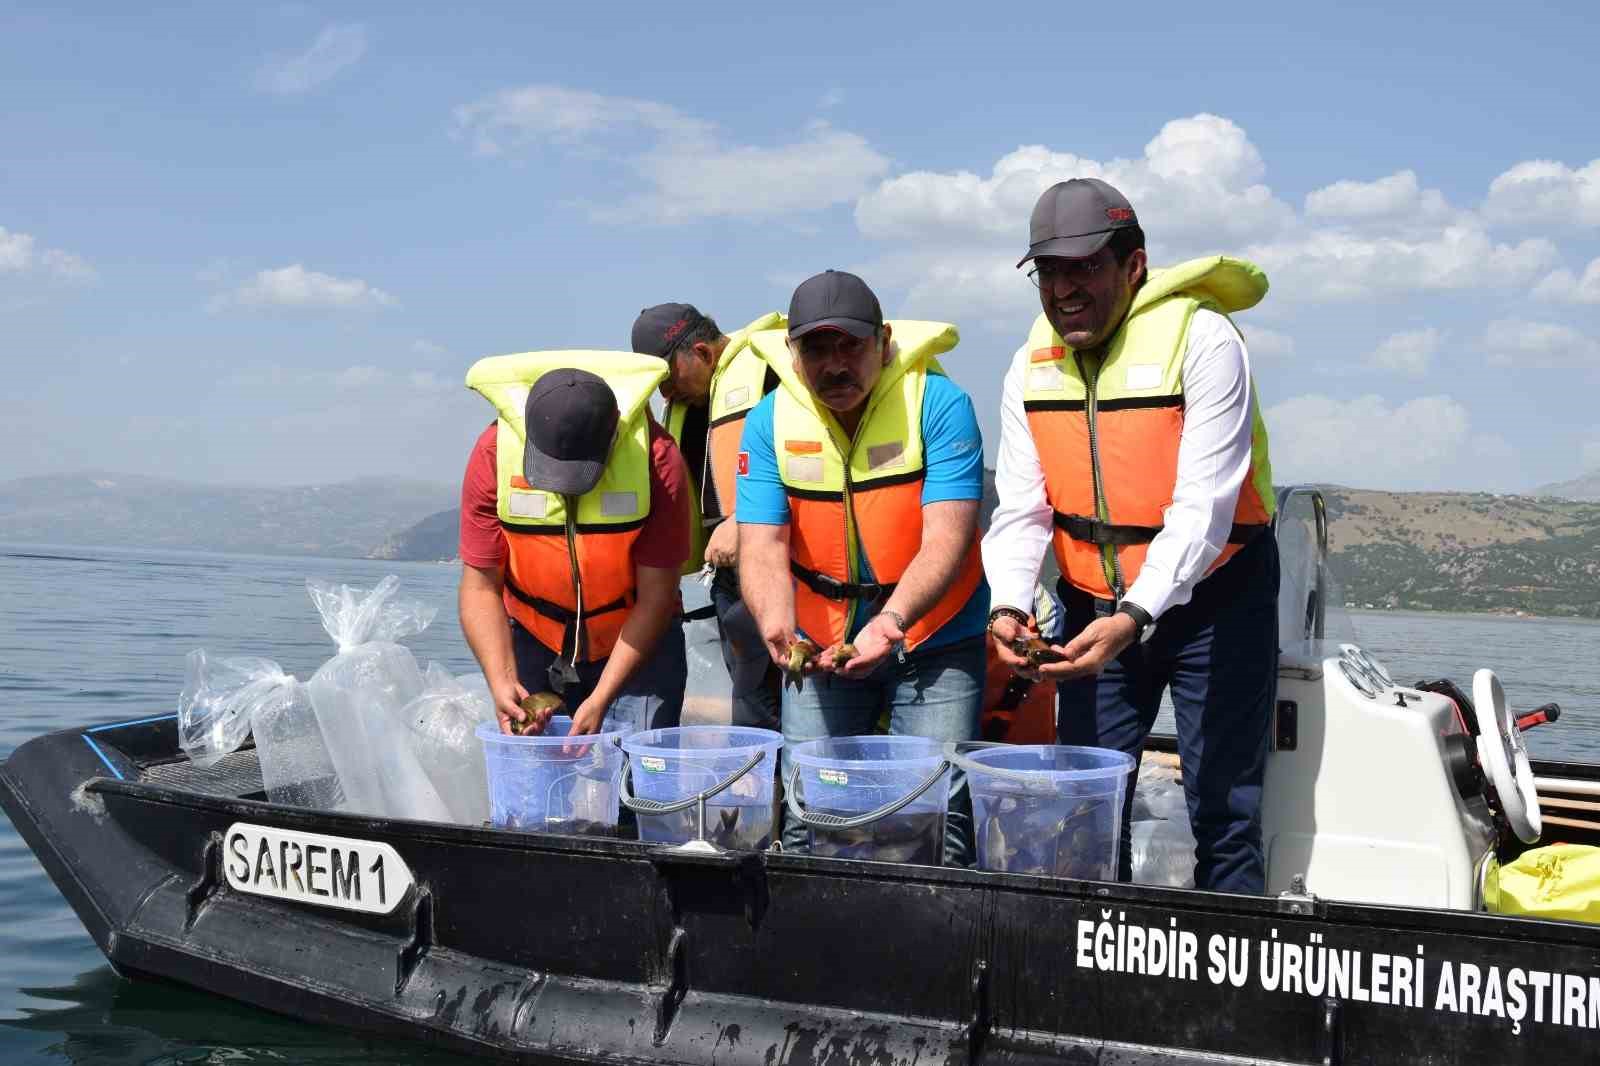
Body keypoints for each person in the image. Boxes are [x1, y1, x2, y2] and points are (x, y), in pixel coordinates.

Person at [982, 177, 1280, 894]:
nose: (1064, 290)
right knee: (1084, 807)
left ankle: (1224, 992)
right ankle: (1085, 985)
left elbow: (1205, 507)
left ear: (1134, 265)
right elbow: (1022, 508)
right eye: (1049, 272)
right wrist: (1008, 604)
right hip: (1091, 601)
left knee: (1224, 813)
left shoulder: (1206, 342)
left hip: (1217, 597)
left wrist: (1135, 615)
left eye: (1084, 267)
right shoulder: (1028, 367)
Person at [736, 270, 989, 864]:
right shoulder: (768, 422)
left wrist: (893, 620)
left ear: (886, 341)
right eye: (816, 349)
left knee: (933, 809)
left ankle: (936, 937)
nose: (835, 364)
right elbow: (763, 543)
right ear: (794, 358)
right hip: (821, 643)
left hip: (934, 636)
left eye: (850, 344)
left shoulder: (941, 406)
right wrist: (776, 621)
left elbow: (947, 538)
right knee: (810, 806)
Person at [458, 353, 691, 737]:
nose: (564, 486)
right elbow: (480, 586)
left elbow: (657, 596)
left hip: (638, 640)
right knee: (537, 780)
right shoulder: (493, 454)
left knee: (636, 785)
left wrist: (601, 697)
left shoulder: (658, 459)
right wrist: (501, 680)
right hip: (535, 638)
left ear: (615, 430)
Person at [633, 303, 786, 730]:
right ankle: (764, 794)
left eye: (667, 379)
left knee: (787, 697)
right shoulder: (686, 402)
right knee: (750, 696)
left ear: (701, 351)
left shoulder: (772, 372)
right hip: (729, 581)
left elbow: (813, 463)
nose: (665, 394)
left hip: (784, 570)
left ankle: (783, 792)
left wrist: (744, 521)